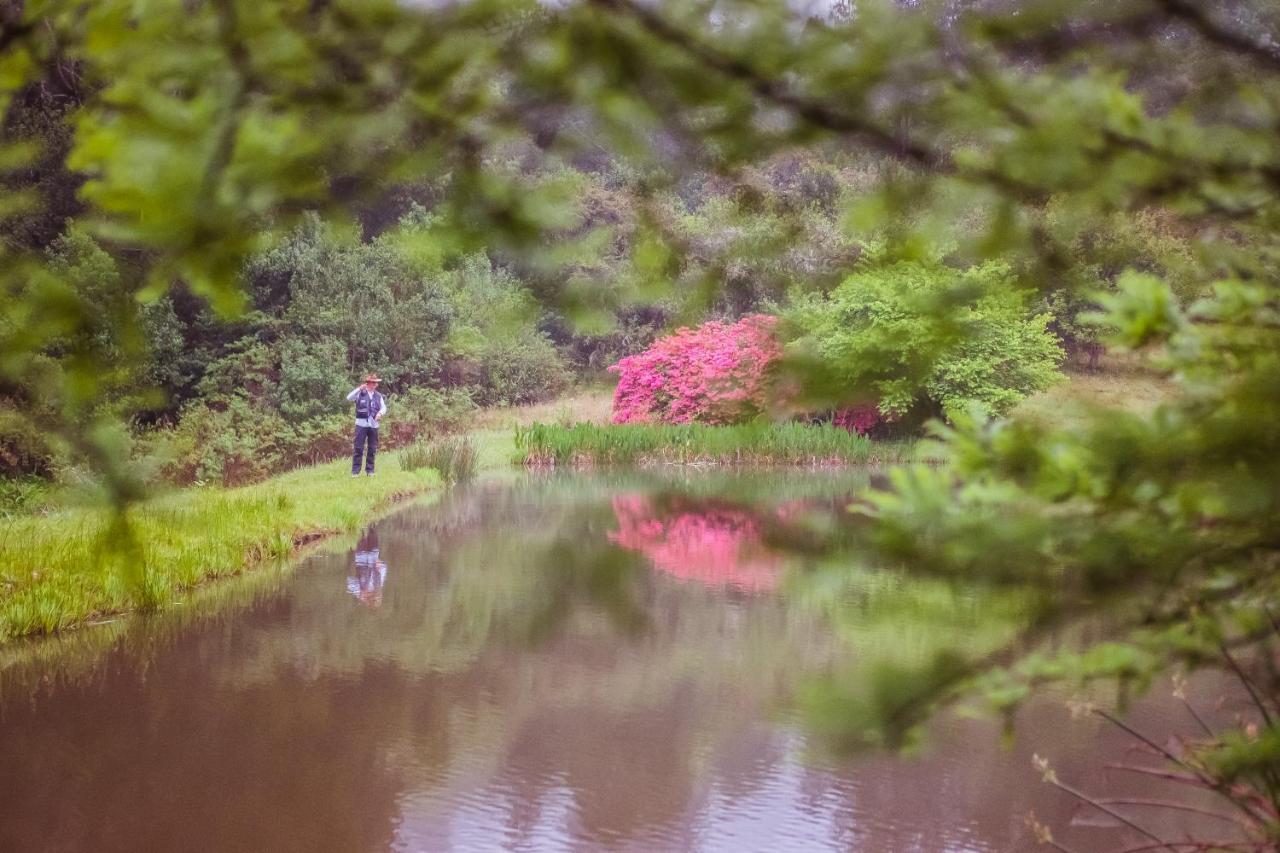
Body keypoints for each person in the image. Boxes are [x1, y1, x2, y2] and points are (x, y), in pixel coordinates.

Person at [347, 373, 387, 476]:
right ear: (367, 383)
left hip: (374, 426)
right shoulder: (360, 393)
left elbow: (384, 408)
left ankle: (370, 471)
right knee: (358, 448)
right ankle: (355, 472)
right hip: (361, 425)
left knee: (372, 448)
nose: (375, 385)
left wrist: (380, 413)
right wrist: (358, 389)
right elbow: (349, 398)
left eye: (376, 383)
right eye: (373, 383)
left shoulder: (378, 396)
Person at [346, 528, 388, 607]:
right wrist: (380, 564)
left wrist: (359, 593)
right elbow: (384, 568)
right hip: (374, 553)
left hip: (361, 555)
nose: (374, 594)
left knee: (360, 534)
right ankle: (371, 522)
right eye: (377, 596)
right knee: (373, 532)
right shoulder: (379, 584)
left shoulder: (360, 590)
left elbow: (349, 582)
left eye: (373, 597)